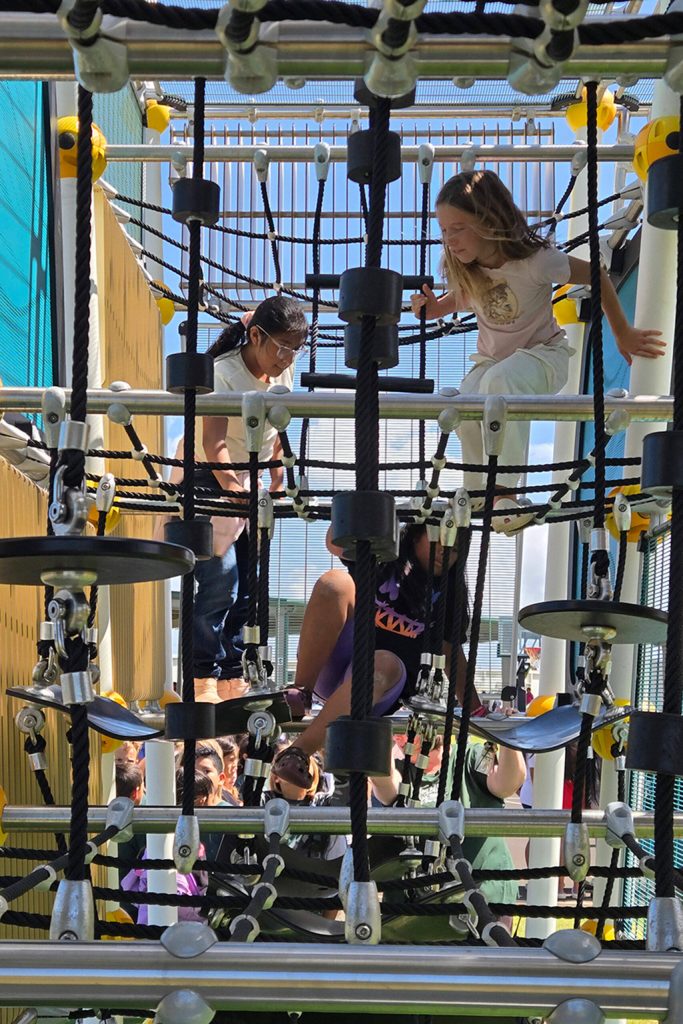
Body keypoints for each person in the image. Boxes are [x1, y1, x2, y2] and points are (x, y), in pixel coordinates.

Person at [411, 169, 665, 534]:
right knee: (464, 403)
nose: (449, 239)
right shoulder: (469, 269)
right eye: (444, 230)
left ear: (488, 221)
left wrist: (622, 333)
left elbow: (599, 275)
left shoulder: (536, 261)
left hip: (544, 357)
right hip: (494, 363)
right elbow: (460, 299)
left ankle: (504, 492)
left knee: (499, 384)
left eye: (458, 228)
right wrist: (432, 309)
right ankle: (479, 491)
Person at [163, 297, 309, 700]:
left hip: (249, 477)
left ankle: (232, 674)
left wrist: (277, 472)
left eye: (296, 348)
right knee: (218, 582)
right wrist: (231, 486)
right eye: (282, 346)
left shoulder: (284, 369)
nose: (288, 357)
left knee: (249, 586)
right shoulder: (223, 374)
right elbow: (214, 442)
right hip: (207, 475)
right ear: (256, 336)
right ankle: (199, 675)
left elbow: (276, 426)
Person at [272, 522, 476, 784]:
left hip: (382, 683)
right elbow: (335, 541)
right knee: (335, 582)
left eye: (456, 549)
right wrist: (391, 513)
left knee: (384, 663)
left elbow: (451, 655)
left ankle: (299, 751)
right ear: (415, 535)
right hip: (335, 665)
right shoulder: (383, 559)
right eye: (439, 539)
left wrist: (477, 710)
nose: (445, 551)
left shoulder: (447, 598)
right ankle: (300, 691)